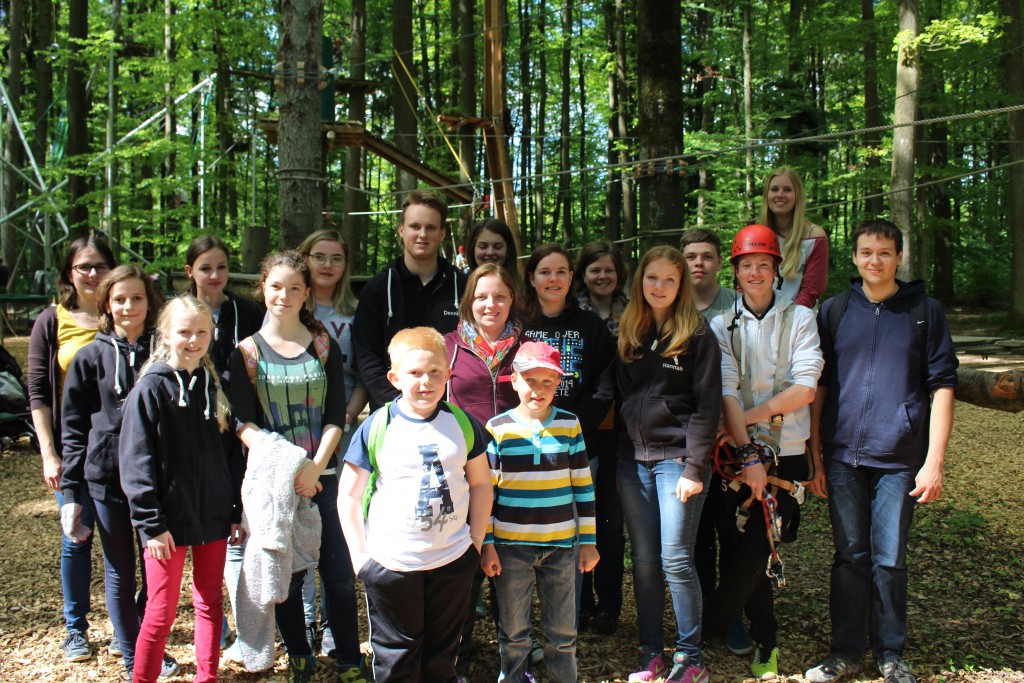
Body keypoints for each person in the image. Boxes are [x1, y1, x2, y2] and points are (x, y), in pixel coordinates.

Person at [805, 219, 957, 683]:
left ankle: (890, 654)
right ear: (854, 257)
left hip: (899, 458)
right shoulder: (834, 311)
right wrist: (814, 453)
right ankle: (846, 652)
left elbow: (944, 387)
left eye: (885, 253)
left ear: (898, 258)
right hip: (842, 455)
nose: (875, 261)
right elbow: (820, 386)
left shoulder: (923, 312)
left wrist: (934, 462)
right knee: (850, 556)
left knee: (889, 558)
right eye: (867, 252)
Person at [229, 251, 365, 683]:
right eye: (275, 286)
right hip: (274, 485)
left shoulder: (323, 346)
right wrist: (288, 469)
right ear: (262, 289)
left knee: (339, 575)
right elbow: (241, 421)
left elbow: (336, 415)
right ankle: (300, 656)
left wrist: (316, 466)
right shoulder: (246, 352)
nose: (283, 295)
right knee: (285, 571)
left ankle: (348, 659)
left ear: (307, 293)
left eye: (293, 288)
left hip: (324, 478)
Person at [338, 327, 492, 682]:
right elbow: (348, 494)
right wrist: (361, 559)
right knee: (397, 659)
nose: (426, 381)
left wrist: (475, 544)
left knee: (442, 656)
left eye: (435, 372)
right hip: (392, 566)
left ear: (448, 374)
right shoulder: (378, 426)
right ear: (394, 377)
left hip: (452, 561)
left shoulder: (462, 424)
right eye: (415, 373)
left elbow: (482, 484)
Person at [705, 225, 824, 678]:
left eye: (763, 265)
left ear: (777, 271)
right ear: (736, 273)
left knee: (760, 549)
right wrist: (746, 451)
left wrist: (749, 420)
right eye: (747, 265)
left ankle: (714, 624)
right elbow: (726, 389)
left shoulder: (801, 319)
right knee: (737, 548)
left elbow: (805, 389)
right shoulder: (722, 324)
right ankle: (761, 636)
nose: (755, 272)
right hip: (738, 453)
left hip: (788, 451)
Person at [118, 296, 241, 683]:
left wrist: (234, 509)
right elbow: (135, 463)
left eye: (201, 331)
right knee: (161, 611)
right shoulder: (149, 391)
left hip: (214, 517)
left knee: (209, 603)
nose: (193, 339)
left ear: (212, 334)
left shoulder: (214, 387)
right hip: (165, 524)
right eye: (184, 331)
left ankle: (207, 677)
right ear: (166, 335)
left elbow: (229, 456)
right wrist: (150, 524)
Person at [60, 265, 172, 679]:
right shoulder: (91, 356)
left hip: (154, 480)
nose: (129, 306)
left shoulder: (164, 353)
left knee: (156, 570)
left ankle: (148, 645)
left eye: (137, 298)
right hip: (105, 479)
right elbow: (72, 427)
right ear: (107, 303)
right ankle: (132, 657)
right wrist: (72, 491)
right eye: (120, 299)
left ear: (149, 302)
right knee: (119, 571)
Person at [615, 246, 721, 683]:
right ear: (641, 282)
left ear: (681, 287)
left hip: (678, 461)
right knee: (643, 560)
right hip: (632, 461)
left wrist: (696, 468)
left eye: (669, 280)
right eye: (652, 278)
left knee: (676, 558)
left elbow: (707, 407)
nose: (659, 287)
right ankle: (651, 652)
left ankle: (690, 657)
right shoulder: (630, 332)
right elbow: (620, 397)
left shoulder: (697, 336)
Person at [481, 340, 599, 683]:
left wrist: (588, 541)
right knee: (514, 632)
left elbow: (583, 487)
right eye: (530, 380)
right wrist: (487, 543)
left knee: (562, 633)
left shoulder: (569, 425)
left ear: (558, 385)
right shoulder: (498, 428)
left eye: (548, 381)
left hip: (562, 546)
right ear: (514, 381)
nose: (539, 389)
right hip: (510, 546)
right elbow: (488, 492)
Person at [27, 235, 116, 662]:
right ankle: (75, 628)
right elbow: (39, 393)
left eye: (100, 266)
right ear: (69, 272)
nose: (93, 274)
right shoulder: (52, 320)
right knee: (76, 536)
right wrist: (49, 453)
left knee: (125, 542)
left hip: (120, 451)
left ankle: (125, 626)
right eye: (84, 267)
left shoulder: (122, 316)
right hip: (73, 450)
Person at [443, 262, 523, 681]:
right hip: (465, 474)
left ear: (512, 300)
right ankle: (458, 652)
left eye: (500, 296)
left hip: (518, 474)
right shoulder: (449, 346)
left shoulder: (526, 347)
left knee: (510, 563)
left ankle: (515, 653)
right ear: (468, 301)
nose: (490, 304)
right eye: (481, 296)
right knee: (466, 561)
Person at [183, 235, 262, 653]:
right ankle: (220, 623)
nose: (215, 276)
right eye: (206, 268)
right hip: (198, 434)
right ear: (190, 272)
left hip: (242, 430)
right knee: (211, 530)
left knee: (242, 525)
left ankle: (251, 629)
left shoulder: (247, 312)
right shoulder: (181, 315)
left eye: (222, 268)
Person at [294, 229, 370, 656]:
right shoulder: (287, 306)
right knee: (301, 525)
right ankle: (305, 620)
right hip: (293, 431)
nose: (326, 265)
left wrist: (345, 416)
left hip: (339, 430)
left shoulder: (354, 314)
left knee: (335, 527)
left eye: (336, 259)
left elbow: (361, 375)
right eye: (318, 256)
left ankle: (333, 629)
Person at [680, 228, 749, 655]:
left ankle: (735, 614)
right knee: (698, 534)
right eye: (691, 256)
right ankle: (703, 613)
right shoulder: (674, 306)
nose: (698, 263)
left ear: (720, 262)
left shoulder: (737, 308)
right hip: (691, 438)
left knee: (735, 531)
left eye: (707, 256)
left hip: (737, 435)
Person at [353, 190, 467, 408]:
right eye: (415, 226)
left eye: (430, 227)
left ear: (442, 233)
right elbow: (366, 356)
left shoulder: (462, 287)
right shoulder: (377, 288)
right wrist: (401, 406)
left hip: (450, 411)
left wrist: (443, 407)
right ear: (402, 230)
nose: (422, 234)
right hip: (392, 412)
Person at [573, 240, 629, 634]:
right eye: (595, 270)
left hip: (623, 430)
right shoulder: (574, 313)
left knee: (610, 523)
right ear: (583, 274)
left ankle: (609, 606)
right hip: (584, 429)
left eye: (609, 270)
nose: (603, 276)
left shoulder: (636, 309)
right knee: (577, 521)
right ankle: (578, 604)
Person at [758, 168, 829, 308]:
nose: (780, 195)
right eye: (774, 189)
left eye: (787, 190)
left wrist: (787, 320)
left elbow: (811, 291)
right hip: (758, 320)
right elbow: (743, 285)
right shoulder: (756, 235)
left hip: (798, 321)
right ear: (767, 195)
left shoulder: (814, 236)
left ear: (797, 195)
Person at [466, 217, 522, 291]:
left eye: (497, 247)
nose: (490, 252)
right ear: (473, 249)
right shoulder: (460, 287)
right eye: (483, 246)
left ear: (507, 250)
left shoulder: (524, 293)